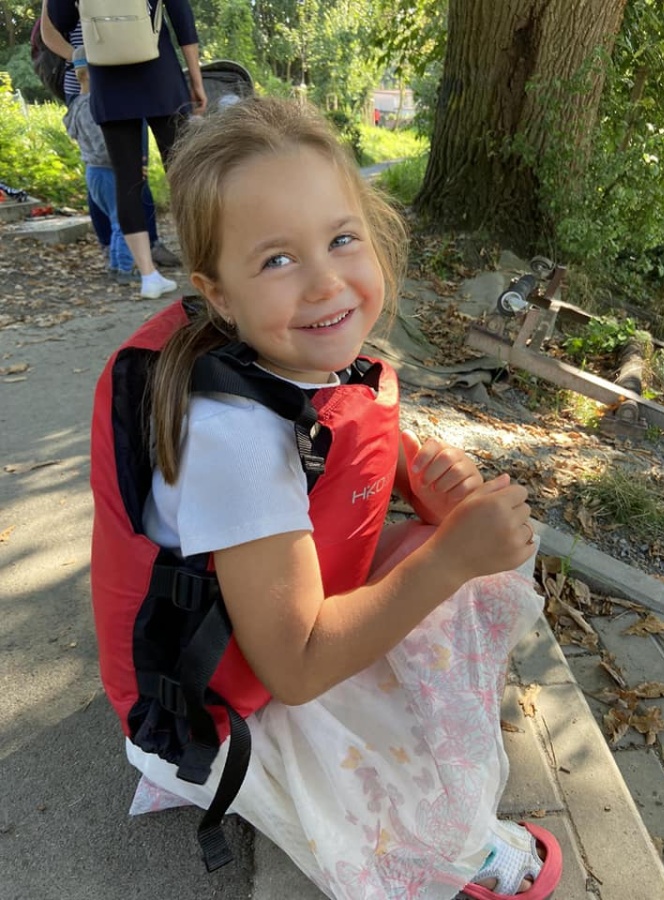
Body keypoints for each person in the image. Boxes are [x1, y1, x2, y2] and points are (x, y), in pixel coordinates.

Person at [121, 97, 563, 898]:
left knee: (451, 570)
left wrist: (420, 479)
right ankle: (452, 845)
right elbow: (292, 670)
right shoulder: (234, 444)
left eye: (340, 239)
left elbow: (341, 444)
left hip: (274, 622)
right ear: (218, 294)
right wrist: (449, 557)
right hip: (218, 705)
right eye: (276, 260)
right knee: (444, 584)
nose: (326, 281)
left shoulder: (296, 356)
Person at [47, 0, 206, 300]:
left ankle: (148, 276)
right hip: (161, 74)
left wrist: (82, 54)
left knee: (127, 178)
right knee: (185, 173)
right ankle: (204, 262)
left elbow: (59, 21)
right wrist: (196, 80)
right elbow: (182, 18)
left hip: (108, 79)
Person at [63, 48, 138, 281]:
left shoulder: (75, 105)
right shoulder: (92, 106)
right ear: (89, 74)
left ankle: (116, 265)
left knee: (115, 219)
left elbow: (73, 133)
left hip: (92, 171)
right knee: (122, 220)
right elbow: (102, 146)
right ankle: (125, 268)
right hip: (107, 170)